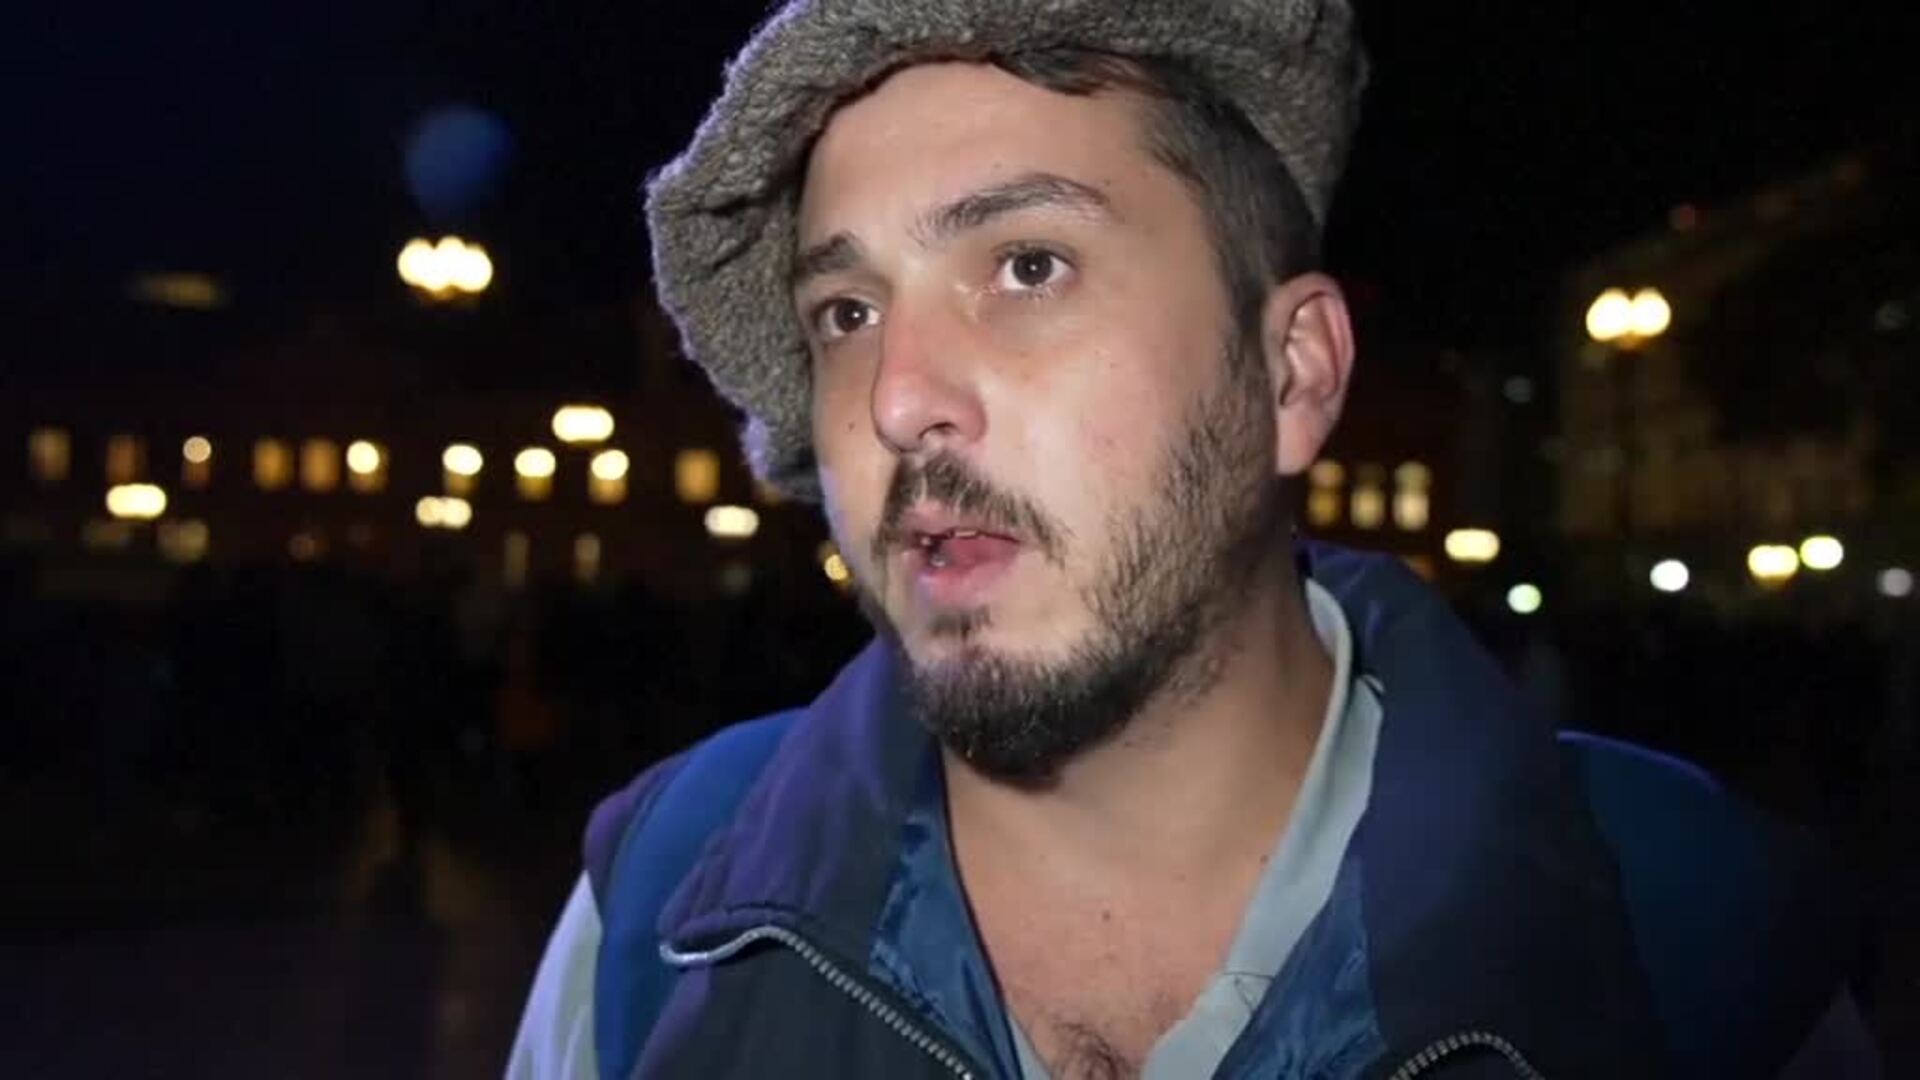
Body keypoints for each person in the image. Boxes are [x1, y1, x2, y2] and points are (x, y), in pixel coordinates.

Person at [511, 2, 1872, 1076]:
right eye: (847, 314)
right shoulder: (659, 917)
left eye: (1028, 265)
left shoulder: (1690, 938)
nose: (895, 399)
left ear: (1292, 374)